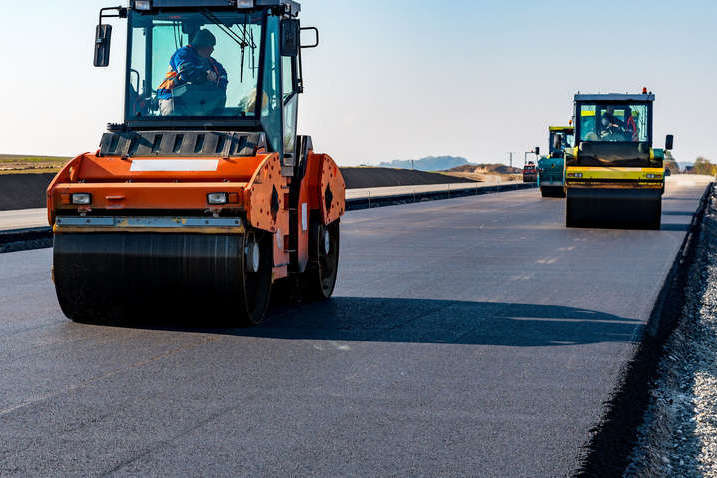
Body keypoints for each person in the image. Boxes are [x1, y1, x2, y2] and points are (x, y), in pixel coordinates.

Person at [157, 30, 228, 116]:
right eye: (210, 46)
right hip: (173, 98)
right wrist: (206, 76)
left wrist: (217, 82)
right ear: (200, 45)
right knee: (173, 118)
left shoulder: (211, 63)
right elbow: (186, 74)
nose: (212, 49)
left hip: (198, 104)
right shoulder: (183, 54)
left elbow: (223, 77)